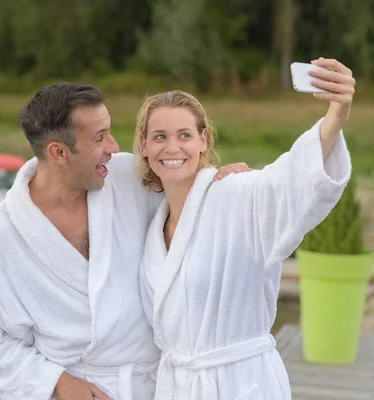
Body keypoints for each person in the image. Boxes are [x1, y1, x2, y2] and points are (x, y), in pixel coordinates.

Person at [0, 83, 248, 400]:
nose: (113, 146)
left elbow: (190, 195)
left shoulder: (129, 177)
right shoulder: (2, 237)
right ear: (58, 152)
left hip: (158, 386)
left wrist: (222, 184)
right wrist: (55, 383)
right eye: (99, 138)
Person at [136, 58, 354, 399]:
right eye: (159, 136)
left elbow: (287, 183)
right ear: (144, 146)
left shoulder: (236, 196)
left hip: (240, 383)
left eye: (184, 135)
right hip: (177, 386)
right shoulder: (152, 222)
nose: (172, 147)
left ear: (203, 140)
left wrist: (336, 116)